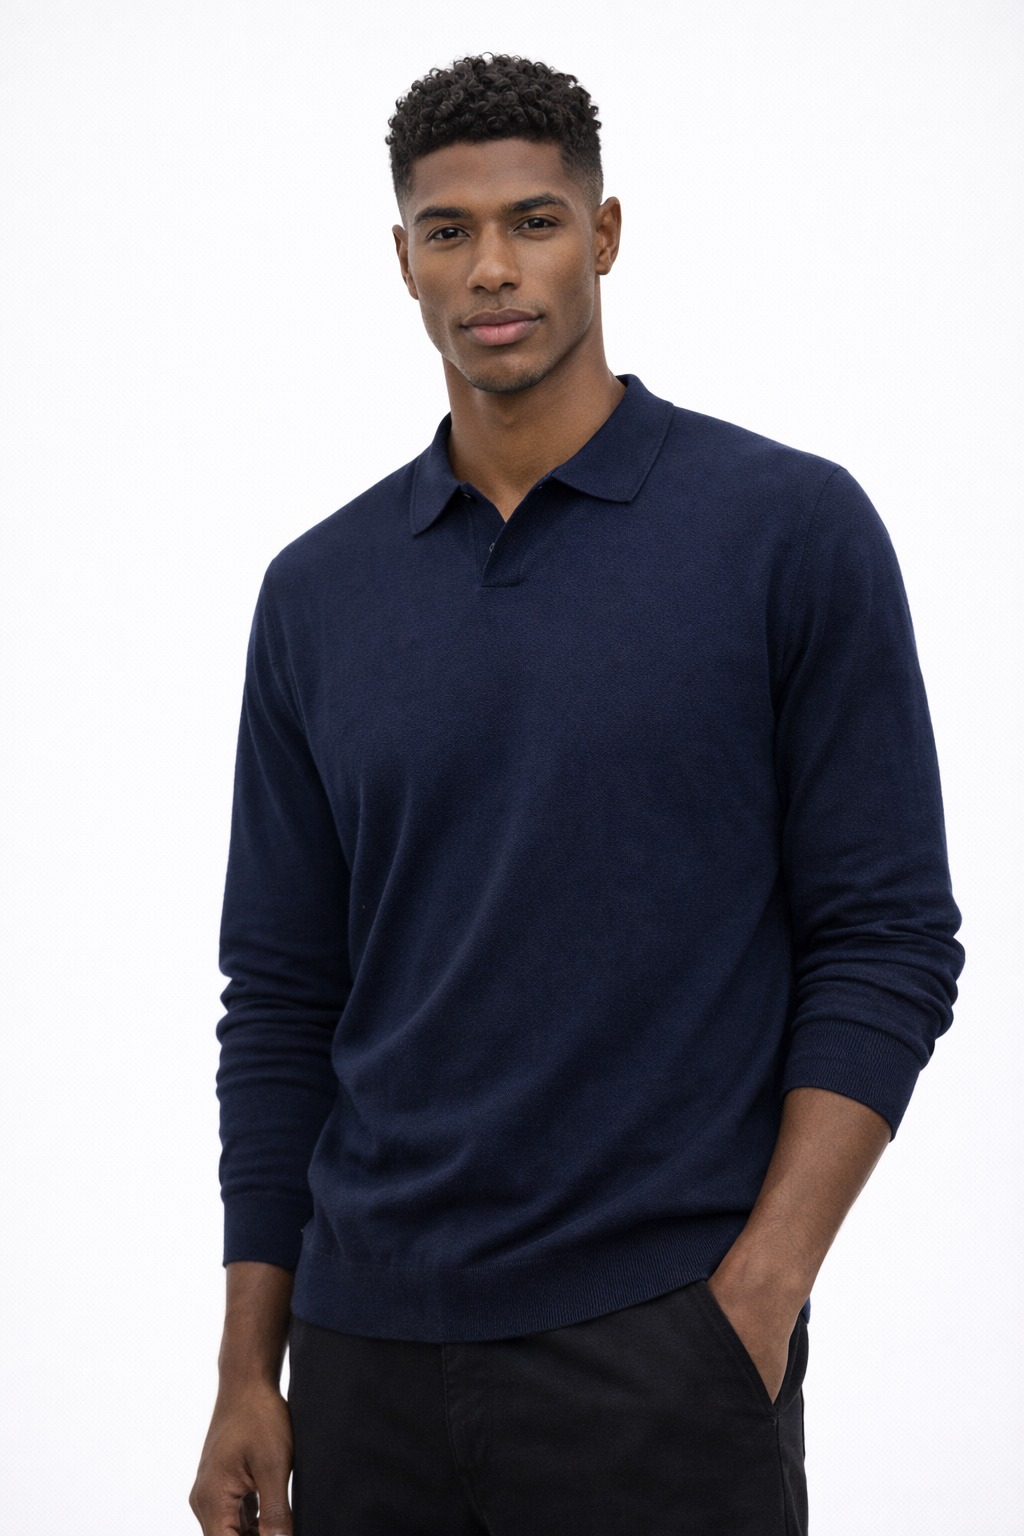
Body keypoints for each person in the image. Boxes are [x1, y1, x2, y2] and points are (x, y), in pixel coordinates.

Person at [190, 53, 963, 1536]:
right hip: (362, 1361)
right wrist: (247, 1366)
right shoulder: (317, 594)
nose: (493, 268)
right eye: (450, 230)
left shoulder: (787, 531)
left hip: (660, 1344)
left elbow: (888, 938)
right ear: (403, 260)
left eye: (534, 221)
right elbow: (281, 998)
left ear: (604, 235)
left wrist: (758, 1296)